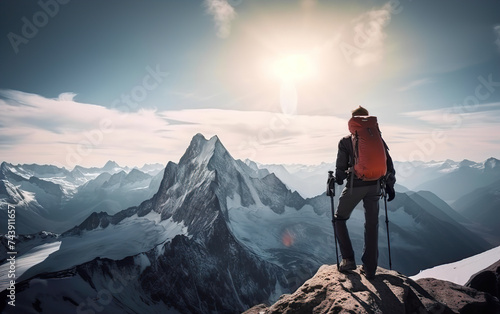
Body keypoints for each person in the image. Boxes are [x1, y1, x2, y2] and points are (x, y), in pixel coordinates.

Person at [334, 106, 396, 279]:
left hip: (356, 185)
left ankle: (348, 259)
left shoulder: (346, 141)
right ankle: (370, 268)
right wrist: (390, 185)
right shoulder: (378, 139)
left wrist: (337, 179)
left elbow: (340, 169)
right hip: (376, 186)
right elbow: (388, 164)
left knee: (339, 219)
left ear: (353, 120)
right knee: (372, 225)